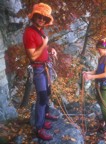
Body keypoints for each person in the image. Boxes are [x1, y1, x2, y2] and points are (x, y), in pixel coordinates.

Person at [23, 3, 58, 141]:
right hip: (38, 68)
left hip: (45, 66)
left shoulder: (40, 31)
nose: (42, 20)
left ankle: (45, 114)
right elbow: (32, 56)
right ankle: (39, 127)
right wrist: (44, 44)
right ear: (35, 17)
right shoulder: (29, 33)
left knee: (47, 92)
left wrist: (50, 49)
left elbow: (42, 46)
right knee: (42, 97)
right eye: (39, 17)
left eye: (44, 18)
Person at [83, 38, 106, 138]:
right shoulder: (100, 58)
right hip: (99, 84)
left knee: (104, 106)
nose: (98, 50)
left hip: (105, 85)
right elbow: (97, 71)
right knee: (101, 104)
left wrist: (92, 77)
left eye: (99, 48)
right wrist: (87, 73)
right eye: (98, 48)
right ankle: (105, 121)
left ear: (105, 48)